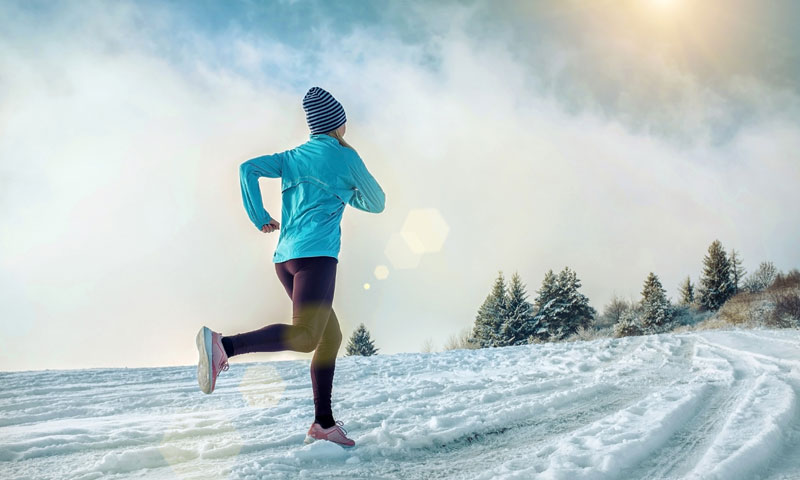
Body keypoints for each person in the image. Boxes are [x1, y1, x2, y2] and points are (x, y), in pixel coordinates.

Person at [195, 86, 385, 448]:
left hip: (285, 260)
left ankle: (323, 425)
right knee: (309, 336)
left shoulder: (293, 156)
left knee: (329, 337)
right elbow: (377, 202)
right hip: (317, 258)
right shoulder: (346, 158)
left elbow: (247, 169)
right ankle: (224, 345)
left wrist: (259, 216)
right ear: (337, 123)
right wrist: (347, 191)